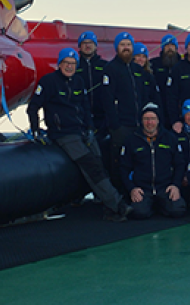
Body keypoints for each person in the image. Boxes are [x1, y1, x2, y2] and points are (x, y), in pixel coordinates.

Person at [27, 48, 130, 221]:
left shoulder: (78, 82)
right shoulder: (48, 82)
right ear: (59, 64)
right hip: (64, 134)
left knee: (99, 162)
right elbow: (33, 107)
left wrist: (90, 128)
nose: (70, 67)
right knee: (91, 166)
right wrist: (36, 129)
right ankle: (117, 205)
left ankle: (108, 207)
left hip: (82, 131)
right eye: (66, 63)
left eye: (73, 64)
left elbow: (85, 107)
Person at [97, 32, 159, 179]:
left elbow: (144, 97)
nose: (126, 48)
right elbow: (107, 99)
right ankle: (120, 195)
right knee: (120, 161)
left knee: (139, 159)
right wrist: (115, 124)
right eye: (123, 44)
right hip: (121, 126)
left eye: (129, 45)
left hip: (139, 124)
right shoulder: (110, 69)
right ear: (117, 47)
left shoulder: (138, 70)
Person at [120, 104, 187, 219]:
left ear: (158, 120)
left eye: (152, 119)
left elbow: (180, 164)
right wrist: (132, 188)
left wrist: (176, 185)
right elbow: (123, 168)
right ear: (141, 121)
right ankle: (153, 206)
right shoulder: (131, 140)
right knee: (139, 213)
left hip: (165, 187)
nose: (149, 122)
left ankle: (159, 205)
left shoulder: (170, 138)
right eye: (146, 119)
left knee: (178, 210)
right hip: (143, 189)